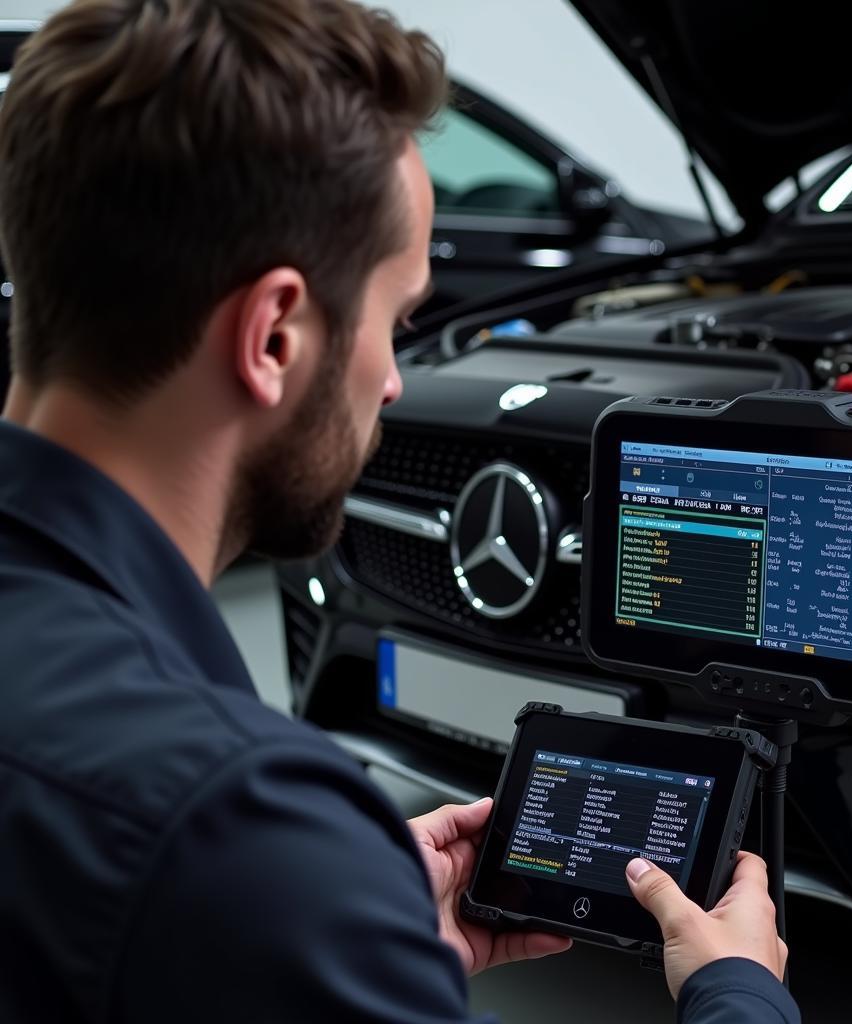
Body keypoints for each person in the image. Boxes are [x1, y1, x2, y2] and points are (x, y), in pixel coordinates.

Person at [0, 1, 798, 1022]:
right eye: (399, 319)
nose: (393, 381)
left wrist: (350, 935)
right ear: (275, 335)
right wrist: (735, 992)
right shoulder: (236, 828)